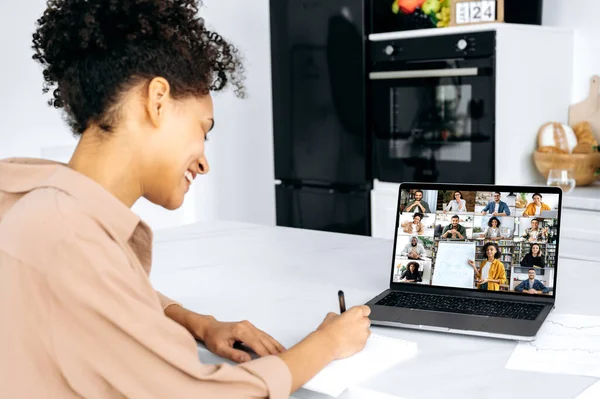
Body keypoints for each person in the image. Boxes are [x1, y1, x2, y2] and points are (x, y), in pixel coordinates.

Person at [0, 1, 372, 397]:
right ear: (157, 100)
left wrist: (197, 322)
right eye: (203, 129)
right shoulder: (68, 235)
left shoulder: (34, 200)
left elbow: (102, 290)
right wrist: (327, 344)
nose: (204, 161)